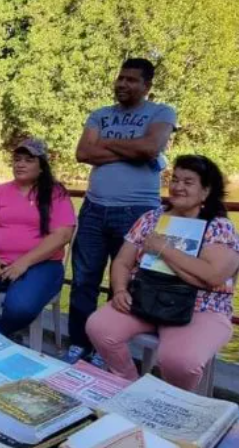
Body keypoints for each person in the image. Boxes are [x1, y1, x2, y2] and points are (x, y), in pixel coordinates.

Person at [85, 155, 239, 391]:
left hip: (200, 307)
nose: (178, 187)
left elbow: (212, 277)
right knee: (99, 326)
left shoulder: (218, 227)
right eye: (175, 180)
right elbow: (122, 262)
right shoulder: (151, 219)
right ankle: (128, 385)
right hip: (147, 297)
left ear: (206, 191)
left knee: (180, 361)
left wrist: (162, 248)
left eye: (188, 182)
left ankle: (173, 399)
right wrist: (119, 290)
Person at [68, 58, 178, 362]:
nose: (123, 84)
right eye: (120, 78)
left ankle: (107, 347)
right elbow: (82, 153)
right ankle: (80, 344)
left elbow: (149, 149)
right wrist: (131, 147)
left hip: (138, 214)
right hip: (93, 210)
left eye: (131, 80)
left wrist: (105, 144)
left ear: (146, 86)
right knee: (83, 280)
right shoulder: (100, 114)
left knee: (125, 282)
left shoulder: (161, 112)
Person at [0, 138, 76, 338]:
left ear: (42, 166)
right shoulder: (1, 191)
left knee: (20, 307)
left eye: (28, 160)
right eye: (17, 159)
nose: (20, 164)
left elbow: (63, 234)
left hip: (41, 264)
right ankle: (0, 337)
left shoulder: (56, 192)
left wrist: (24, 263)